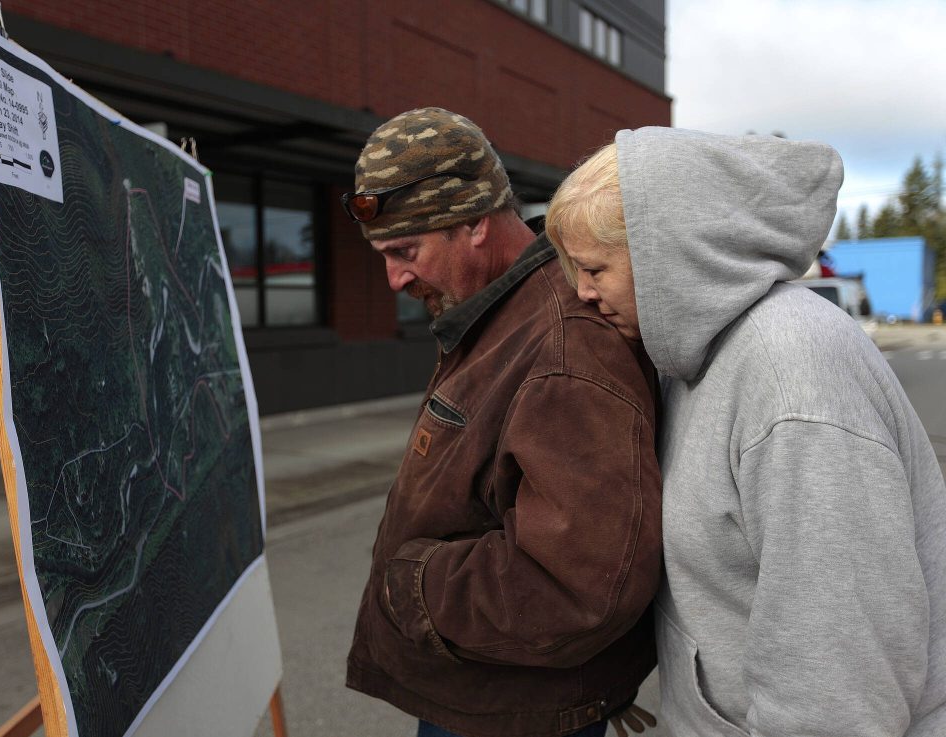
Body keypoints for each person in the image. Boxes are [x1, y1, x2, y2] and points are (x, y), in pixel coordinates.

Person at [545, 127, 946, 736]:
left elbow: (837, 676)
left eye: (594, 267)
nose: (582, 291)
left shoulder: (793, 379)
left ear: (669, 257)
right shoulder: (693, 353)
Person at [342, 107, 663, 737]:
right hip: (487, 689)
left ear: (475, 225)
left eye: (406, 250)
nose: (393, 278)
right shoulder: (497, 312)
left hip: (514, 714)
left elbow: (577, 582)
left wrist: (411, 587)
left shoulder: (564, 349)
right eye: (381, 254)